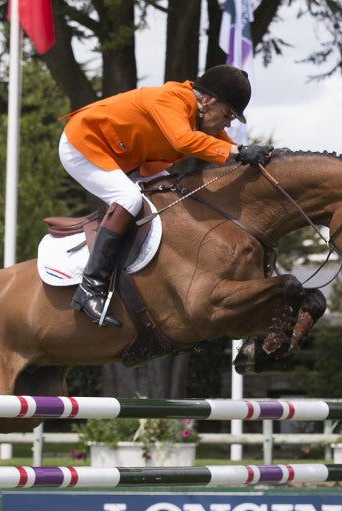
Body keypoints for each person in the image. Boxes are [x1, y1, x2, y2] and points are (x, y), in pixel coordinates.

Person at [59, 64, 272, 328]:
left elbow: (227, 148)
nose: (228, 123)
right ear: (207, 100)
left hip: (123, 158)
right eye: (227, 115)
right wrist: (239, 152)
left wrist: (262, 156)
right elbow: (184, 141)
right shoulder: (171, 99)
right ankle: (91, 287)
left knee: (171, 194)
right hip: (83, 144)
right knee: (129, 199)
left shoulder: (201, 114)